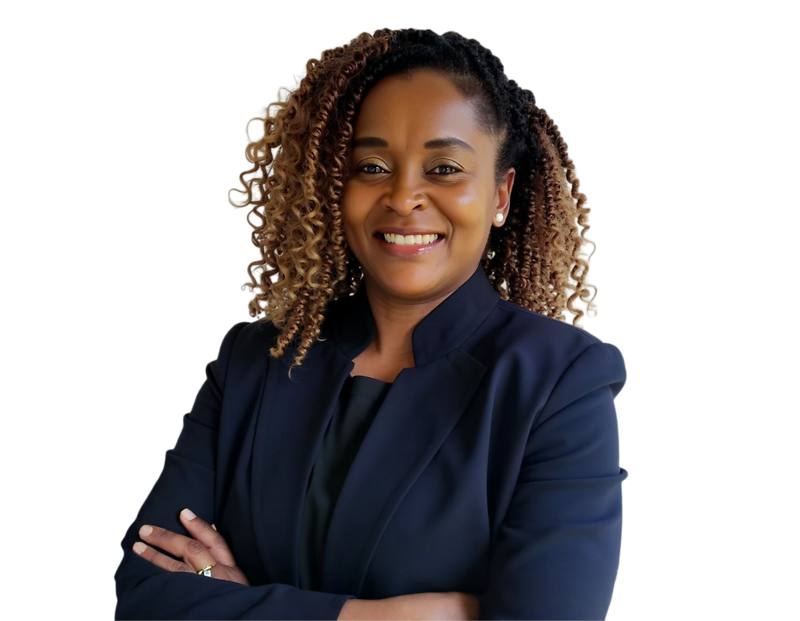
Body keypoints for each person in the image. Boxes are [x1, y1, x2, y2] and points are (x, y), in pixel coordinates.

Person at [113, 27, 630, 621]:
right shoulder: (253, 359)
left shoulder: (560, 382)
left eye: (443, 168)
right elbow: (145, 594)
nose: (405, 196)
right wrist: (387, 616)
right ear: (336, 188)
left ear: (501, 194)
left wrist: (234, 599)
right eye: (372, 165)